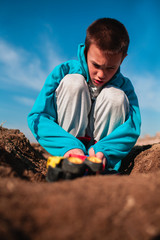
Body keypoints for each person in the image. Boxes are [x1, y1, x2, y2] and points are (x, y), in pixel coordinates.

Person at [28, 18, 141, 172]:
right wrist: (69, 146)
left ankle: (100, 165)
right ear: (86, 51)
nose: (101, 74)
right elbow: (38, 116)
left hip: (101, 155)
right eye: (96, 65)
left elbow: (132, 126)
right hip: (69, 149)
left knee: (116, 96)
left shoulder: (125, 87)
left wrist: (105, 151)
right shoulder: (63, 72)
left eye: (110, 68)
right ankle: (71, 161)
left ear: (123, 58)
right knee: (73, 83)